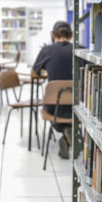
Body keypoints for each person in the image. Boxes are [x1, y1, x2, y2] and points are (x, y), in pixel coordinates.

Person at [32, 21, 75, 159]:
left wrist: (48, 70)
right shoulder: (80, 51)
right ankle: (69, 132)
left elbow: (34, 74)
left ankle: (64, 132)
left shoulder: (47, 50)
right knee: (69, 107)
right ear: (72, 35)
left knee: (53, 106)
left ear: (53, 35)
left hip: (53, 108)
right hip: (77, 106)